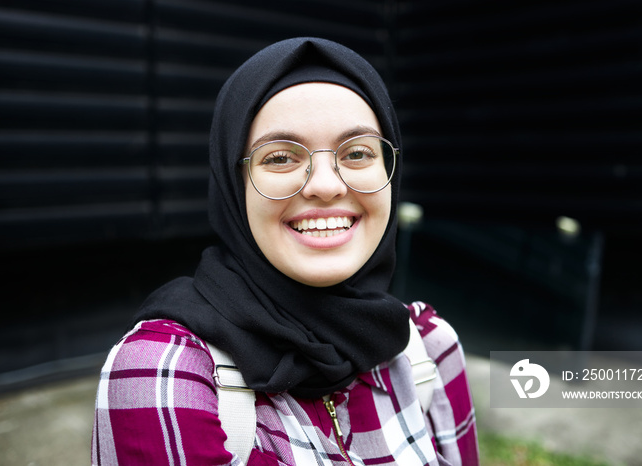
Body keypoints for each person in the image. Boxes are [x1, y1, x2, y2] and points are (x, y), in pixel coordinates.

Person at [92, 37, 479, 465]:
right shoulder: (165, 374)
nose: (327, 185)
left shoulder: (428, 349)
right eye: (280, 158)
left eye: (356, 152)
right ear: (233, 185)